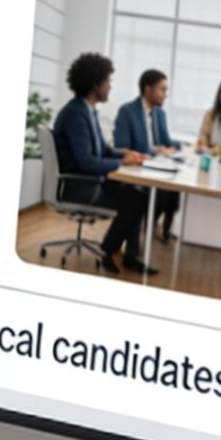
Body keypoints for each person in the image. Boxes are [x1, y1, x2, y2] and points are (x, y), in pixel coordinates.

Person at [53, 52, 156, 277]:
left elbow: (102, 149)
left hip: (90, 180)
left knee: (138, 193)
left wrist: (126, 153)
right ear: (95, 83)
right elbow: (86, 161)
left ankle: (128, 256)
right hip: (80, 187)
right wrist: (121, 162)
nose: (110, 86)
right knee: (136, 198)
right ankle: (110, 250)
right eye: (108, 81)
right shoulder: (76, 114)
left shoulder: (86, 110)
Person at [114, 68, 185, 242]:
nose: (165, 94)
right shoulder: (127, 111)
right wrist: (155, 150)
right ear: (148, 89)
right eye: (162, 89)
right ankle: (141, 234)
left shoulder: (160, 113)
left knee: (174, 190)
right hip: (137, 170)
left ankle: (152, 228)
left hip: (157, 167)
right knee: (157, 193)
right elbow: (122, 146)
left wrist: (183, 147)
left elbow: (166, 140)